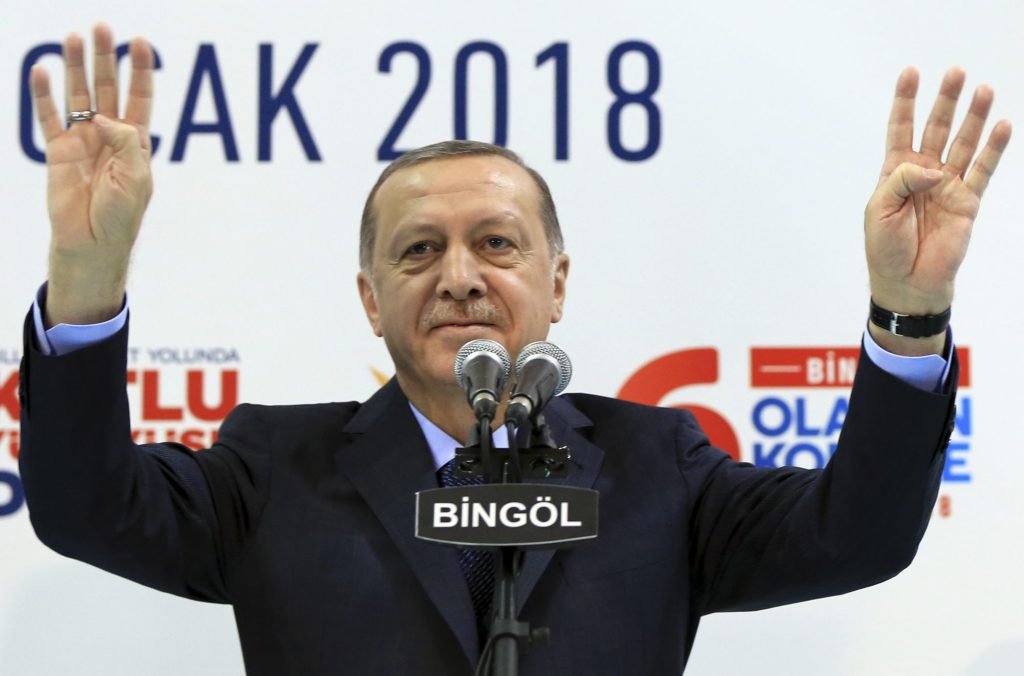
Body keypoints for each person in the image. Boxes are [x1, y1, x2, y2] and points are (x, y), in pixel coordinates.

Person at [19, 23, 1011, 676]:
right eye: (418, 251)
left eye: (496, 244)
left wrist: (908, 306)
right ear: (369, 300)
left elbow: (859, 534)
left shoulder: (657, 467)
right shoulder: (275, 469)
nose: (458, 277)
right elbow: (82, 506)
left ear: (557, 284)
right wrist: (86, 272)